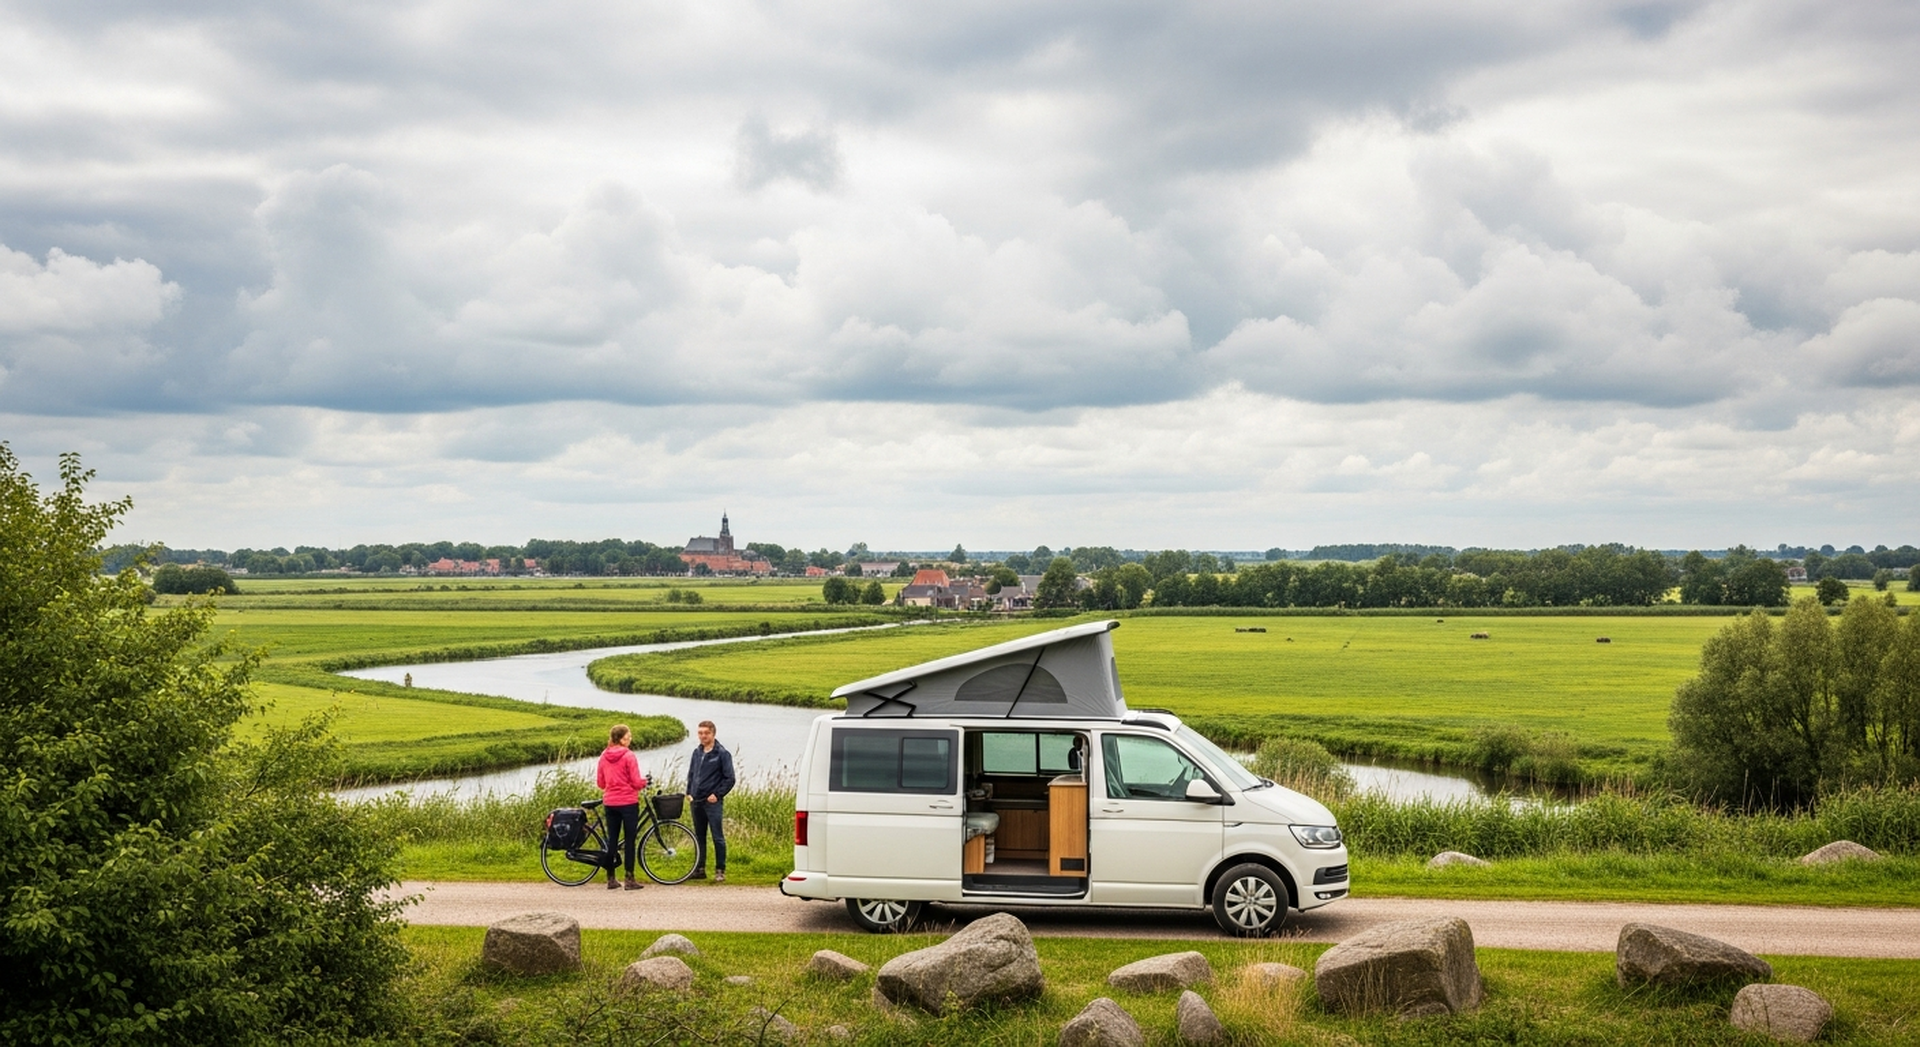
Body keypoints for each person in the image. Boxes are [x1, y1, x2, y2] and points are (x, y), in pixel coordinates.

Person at [596, 724, 648, 890]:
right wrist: (644, 782)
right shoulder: (629, 756)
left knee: (612, 840)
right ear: (622, 739)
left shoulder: (604, 756)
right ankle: (629, 878)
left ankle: (611, 878)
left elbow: (600, 783)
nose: (630, 739)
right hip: (628, 802)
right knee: (630, 841)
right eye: (628, 736)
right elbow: (635, 781)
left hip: (610, 802)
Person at [686, 719, 735, 882]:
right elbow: (691, 774)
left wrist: (718, 794)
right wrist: (689, 793)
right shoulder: (697, 752)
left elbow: (730, 778)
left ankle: (720, 870)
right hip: (696, 801)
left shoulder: (722, 753)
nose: (703, 736)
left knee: (717, 837)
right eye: (700, 733)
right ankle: (699, 869)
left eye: (706, 733)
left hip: (712, 802)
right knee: (699, 836)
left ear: (713, 734)